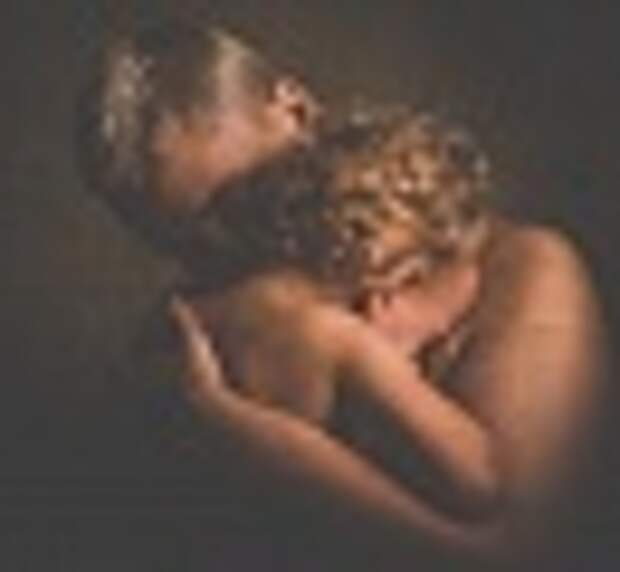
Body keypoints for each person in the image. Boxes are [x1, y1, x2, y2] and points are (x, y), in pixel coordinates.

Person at [77, 20, 607, 570]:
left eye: (247, 201)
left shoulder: (526, 271)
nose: (241, 254)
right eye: (191, 249)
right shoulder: (196, 338)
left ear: (296, 109)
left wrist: (243, 432)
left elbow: (515, 558)